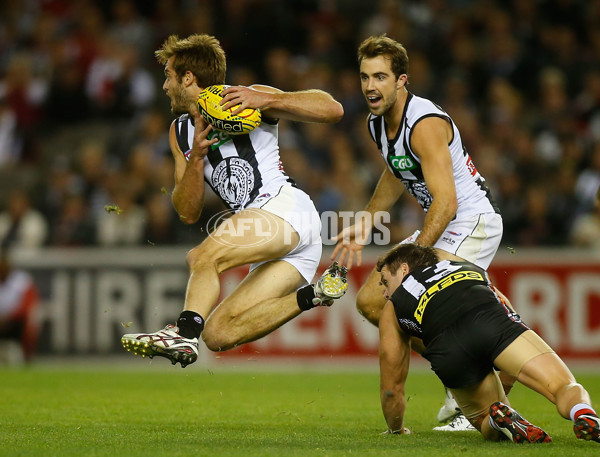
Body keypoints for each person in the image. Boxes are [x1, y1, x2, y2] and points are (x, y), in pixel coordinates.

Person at [121, 34, 347, 367]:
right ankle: (316, 294)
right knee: (218, 334)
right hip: (288, 238)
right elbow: (186, 211)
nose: (165, 86)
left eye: (168, 76)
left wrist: (267, 100)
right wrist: (196, 157)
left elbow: (333, 109)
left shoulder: (243, 98)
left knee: (202, 257)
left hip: (283, 206)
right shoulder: (179, 132)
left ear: (188, 78)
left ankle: (183, 333)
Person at [331, 34, 508, 429]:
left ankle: (473, 394)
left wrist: (415, 259)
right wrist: (367, 220)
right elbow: (397, 173)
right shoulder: (377, 123)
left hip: (472, 221)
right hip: (445, 223)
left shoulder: (424, 123)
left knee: (418, 297)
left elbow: (447, 203)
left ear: (401, 80)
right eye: (364, 77)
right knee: (372, 303)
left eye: (380, 77)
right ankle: (468, 374)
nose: (370, 87)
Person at [376, 242, 600, 444]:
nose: (385, 293)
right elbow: (508, 311)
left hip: (448, 350)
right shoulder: (464, 267)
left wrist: (396, 430)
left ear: (404, 270)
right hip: (491, 321)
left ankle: (496, 419)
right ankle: (584, 414)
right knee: (563, 387)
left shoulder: (393, 307)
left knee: (484, 417)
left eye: (385, 282)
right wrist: (507, 377)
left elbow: (391, 389)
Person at [0, 249, 39, 363]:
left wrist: (9, 318)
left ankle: (27, 358)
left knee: (30, 323)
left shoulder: (21, 280)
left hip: (16, 321)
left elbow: (28, 304)